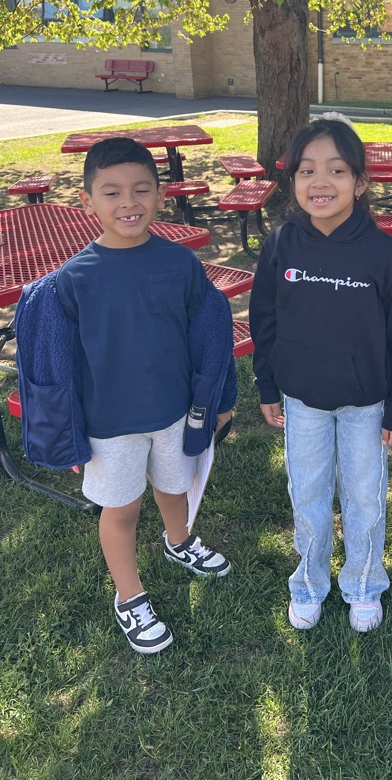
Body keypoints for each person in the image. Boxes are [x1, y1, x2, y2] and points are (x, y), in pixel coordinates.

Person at [15, 137, 237, 654]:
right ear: (89, 201)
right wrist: (67, 433)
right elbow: (56, 365)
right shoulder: (71, 282)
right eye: (111, 192)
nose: (128, 203)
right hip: (108, 424)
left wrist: (220, 394)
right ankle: (129, 595)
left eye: (141, 189)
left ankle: (179, 541)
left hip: (174, 411)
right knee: (121, 510)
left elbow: (209, 332)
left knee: (174, 486)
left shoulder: (180, 264)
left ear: (160, 195)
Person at [249, 115, 392, 633]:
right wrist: (267, 383)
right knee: (308, 493)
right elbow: (265, 319)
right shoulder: (280, 245)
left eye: (336, 171)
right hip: (302, 400)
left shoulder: (383, 256)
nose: (320, 183)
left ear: (360, 183)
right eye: (307, 171)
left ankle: (365, 583)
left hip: (366, 404)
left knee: (365, 497)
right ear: (293, 180)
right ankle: (309, 582)